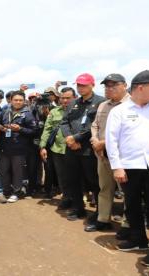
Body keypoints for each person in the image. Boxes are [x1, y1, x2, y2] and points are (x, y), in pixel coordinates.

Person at [106, 70, 149, 266]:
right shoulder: (119, 111)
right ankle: (138, 239)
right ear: (141, 87)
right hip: (129, 167)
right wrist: (117, 167)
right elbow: (111, 141)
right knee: (132, 205)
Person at [85, 74, 130, 232]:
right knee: (105, 188)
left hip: (123, 156)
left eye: (114, 85)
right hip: (102, 155)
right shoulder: (103, 105)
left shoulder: (132, 105)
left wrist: (103, 143)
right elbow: (95, 125)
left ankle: (127, 224)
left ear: (125, 85)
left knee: (127, 192)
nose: (109, 89)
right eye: (107, 86)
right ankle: (103, 219)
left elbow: (128, 132)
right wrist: (95, 140)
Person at [60, 73, 105, 221]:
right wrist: (69, 138)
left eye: (84, 85)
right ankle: (78, 209)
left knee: (94, 181)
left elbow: (94, 125)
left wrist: (76, 138)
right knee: (73, 180)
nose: (81, 88)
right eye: (78, 85)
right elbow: (64, 122)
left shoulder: (100, 102)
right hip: (71, 148)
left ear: (92, 84)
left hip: (89, 149)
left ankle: (100, 212)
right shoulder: (73, 103)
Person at [0, 90, 39, 203]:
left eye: (20, 100)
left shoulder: (28, 114)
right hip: (4, 147)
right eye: (15, 100)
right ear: (11, 100)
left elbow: (34, 131)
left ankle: (16, 192)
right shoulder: (5, 112)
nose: (18, 102)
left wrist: (20, 129)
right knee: (3, 170)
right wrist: (2, 128)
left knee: (18, 171)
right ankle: (6, 190)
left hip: (19, 149)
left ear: (24, 101)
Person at [39, 87, 77, 202]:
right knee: (61, 176)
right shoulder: (54, 112)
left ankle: (77, 200)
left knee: (76, 176)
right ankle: (66, 198)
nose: (65, 101)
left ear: (75, 98)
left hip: (75, 149)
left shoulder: (79, 111)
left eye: (68, 98)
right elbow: (47, 129)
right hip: (57, 149)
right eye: (63, 98)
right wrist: (43, 147)